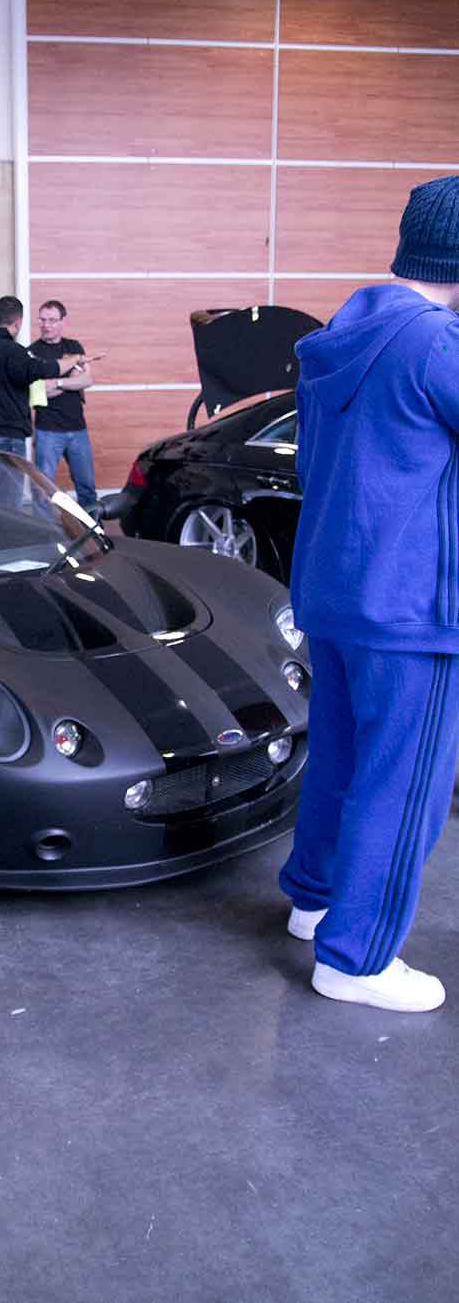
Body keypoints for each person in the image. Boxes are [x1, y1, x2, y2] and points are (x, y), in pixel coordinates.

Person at [279, 174, 459, 1013]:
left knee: (343, 759)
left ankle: (313, 903)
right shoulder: (436, 343)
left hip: (336, 588)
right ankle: (356, 959)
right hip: (412, 606)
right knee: (404, 782)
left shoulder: (342, 334)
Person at [0, 295, 84, 506]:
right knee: (9, 501)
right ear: (18, 322)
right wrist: (74, 359)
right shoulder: (10, 350)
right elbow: (42, 370)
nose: (46, 325)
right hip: (7, 436)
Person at [29, 299, 97, 513]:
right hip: (47, 431)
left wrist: (57, 383)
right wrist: (71, 380)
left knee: (87, 488)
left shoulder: (74, 347)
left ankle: (92, 528)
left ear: (62, 322)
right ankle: (45, 531)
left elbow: (87, 380)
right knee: (43, 492)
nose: (46, 325)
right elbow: (38, 393)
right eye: (42, 320)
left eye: (52, 320)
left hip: (78, 429)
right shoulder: (31, 353)